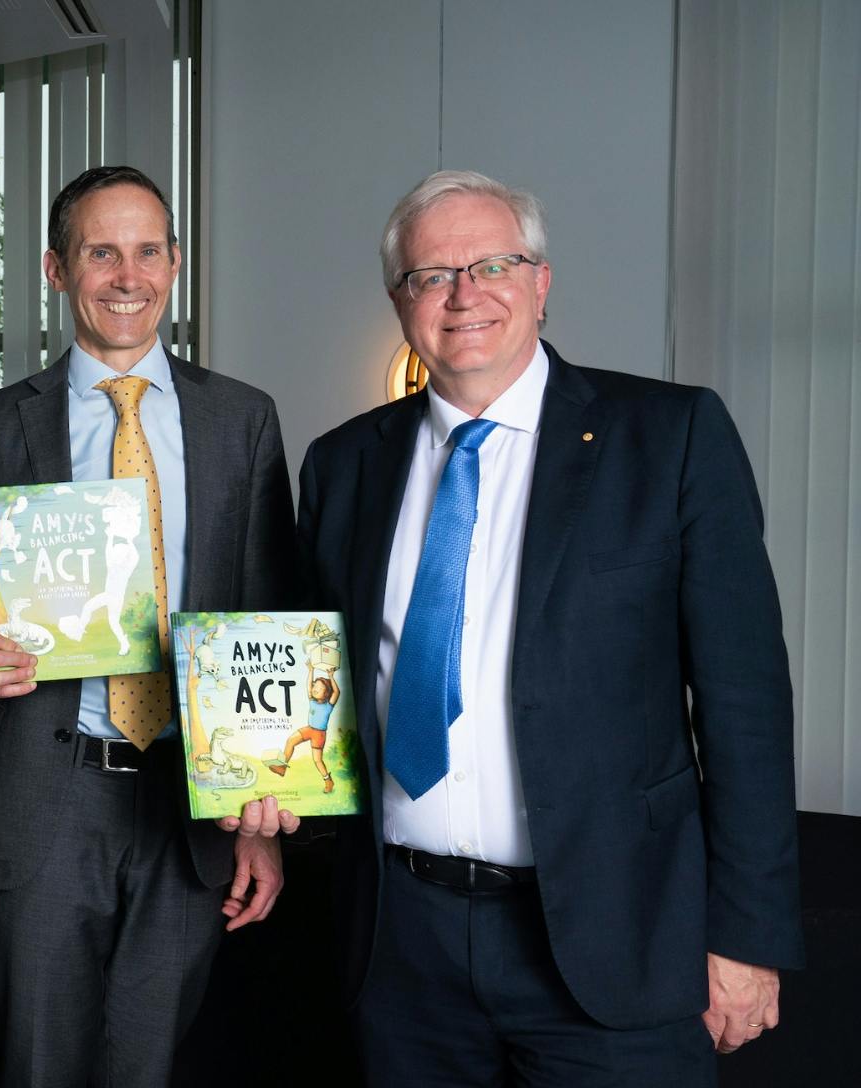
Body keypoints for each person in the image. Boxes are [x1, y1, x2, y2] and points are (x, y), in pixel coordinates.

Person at [295, 170, 804, 1085]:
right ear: (399, 301)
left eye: (494, 263)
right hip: (402, 950)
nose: (465, 294)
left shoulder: (671, 436)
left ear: (541, 281)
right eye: (432, 275)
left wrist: (747, 936)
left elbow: (747, 708)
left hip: (617, 943)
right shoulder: (342, 466)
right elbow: (312, 684)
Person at [0, 165, 301, 1085]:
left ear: (174, 263)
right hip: (46, 796)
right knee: (39, 1064)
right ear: (59, 269)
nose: (126, 275)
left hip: (189, 800)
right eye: (101, 252)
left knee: (148, 1066)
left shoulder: (243, 420)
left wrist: (256, 820)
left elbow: (265, 612)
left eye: (146, 251)